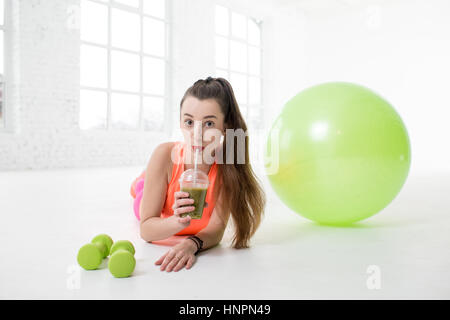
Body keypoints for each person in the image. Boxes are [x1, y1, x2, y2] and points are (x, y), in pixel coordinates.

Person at [130, 76, 266, 272]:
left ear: (225, 126)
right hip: (156, 200)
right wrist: (175, 221)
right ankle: (141, 182)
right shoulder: (164, 155)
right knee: (138, 194)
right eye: (189, 122)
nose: (197, 133)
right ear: (180, 122)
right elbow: (147, 230)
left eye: (209, 124)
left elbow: (216, 229)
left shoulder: (227, 167)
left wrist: (190, 244)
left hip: (170, 188)